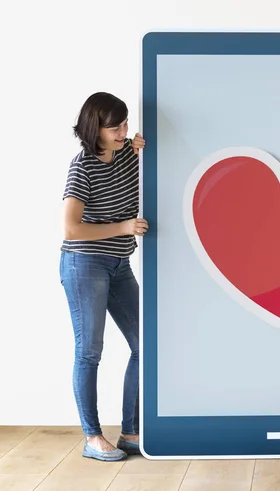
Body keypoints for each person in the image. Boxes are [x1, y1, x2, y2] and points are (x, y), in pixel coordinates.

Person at [59, 92, 148, 461]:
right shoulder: (82, 168)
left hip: (119, 265)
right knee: (90, 351)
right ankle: (92, 437)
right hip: (85, 265)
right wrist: (124, 226)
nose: (124, 131)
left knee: (147, 345)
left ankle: (131, 431)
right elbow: (70, 229)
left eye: (126, 123)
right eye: (116, 127)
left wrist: (140, 145)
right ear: (96, 129)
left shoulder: (128, 151)